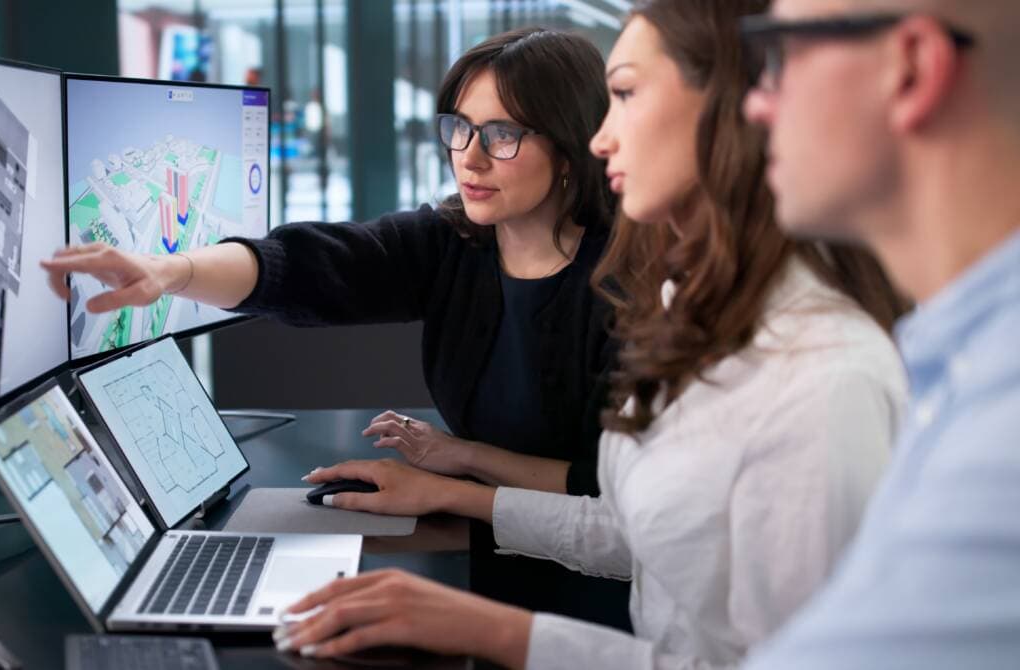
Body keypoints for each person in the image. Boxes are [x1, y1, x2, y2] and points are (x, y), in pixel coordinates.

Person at [273, 2, 909, 666]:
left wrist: (493, 632)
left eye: (627, 95)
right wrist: (449, 493)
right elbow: (640, 533)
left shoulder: (826, 378)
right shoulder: (691, 305)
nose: (600, 139)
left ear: (742, 111)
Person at [41, 28, 632, 629]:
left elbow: (604, 493)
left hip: (596, 590)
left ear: (570, 145)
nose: (469, 157)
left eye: (502, 135)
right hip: (492, 551)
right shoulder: (454, 243)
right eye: (459, 127)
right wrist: (174, 270)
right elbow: (310, 264)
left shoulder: (630, 286)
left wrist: (457, 471)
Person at [736, 0, 1020, 667]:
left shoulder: (1002, 439)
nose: (754, 104)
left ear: (912, 70)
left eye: (780, 52)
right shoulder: (958, 359)